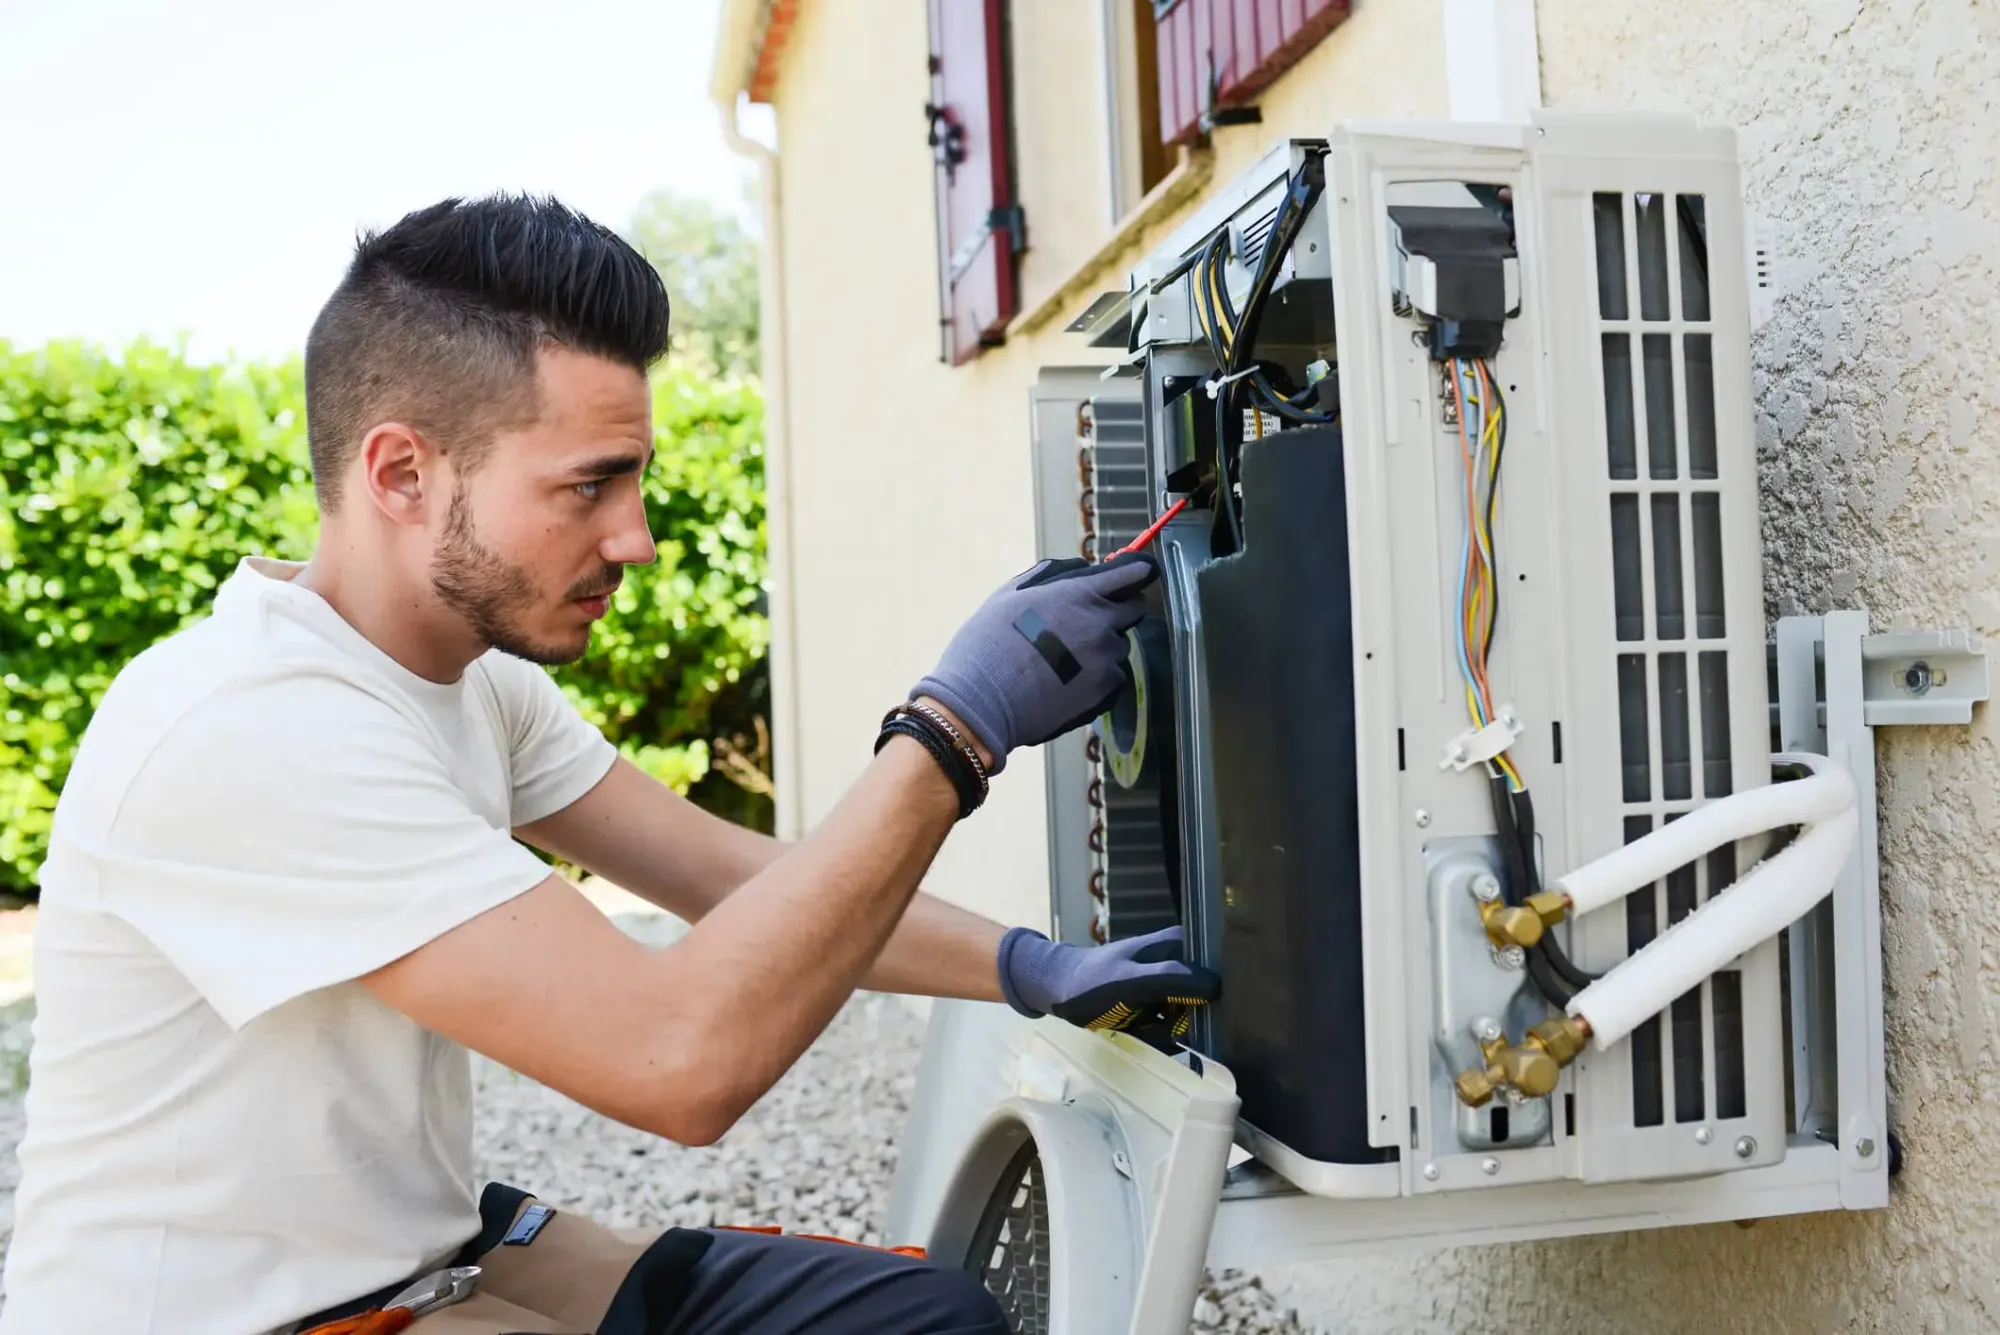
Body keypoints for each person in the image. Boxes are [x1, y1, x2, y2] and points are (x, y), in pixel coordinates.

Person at [0, 195, 1220, 1335]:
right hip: (240, 1313)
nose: (633, 538)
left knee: (920, 1319)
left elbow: (724, 876)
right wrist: (951, 734)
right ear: (401, 474)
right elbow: (676, 1063)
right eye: (588, 486)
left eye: (630, 478)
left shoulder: (473, 680)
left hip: (409, 1250)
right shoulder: (253, 724)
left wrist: (1024, 965)